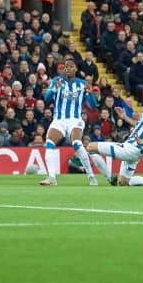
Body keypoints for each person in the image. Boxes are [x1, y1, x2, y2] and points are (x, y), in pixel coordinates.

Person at [87, 82, 143, 186]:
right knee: (123, 182)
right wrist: (125, 117)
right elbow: (139, 125)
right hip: (136, 151)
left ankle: (110, 178)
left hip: (132, 148)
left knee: (90, 147)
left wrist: (142, 141)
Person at [40, 57, 98, 186]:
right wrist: (54, 89)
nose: (68, 68)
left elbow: (93, 106)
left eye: (71, 66)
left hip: (75, 119)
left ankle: (91, 176)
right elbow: (47, 99)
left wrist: (90, 94)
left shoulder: (83, 84)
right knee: (49, 143)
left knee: (77, 143)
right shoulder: (57, 81)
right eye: (66, 66)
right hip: (59, 120)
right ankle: (52, 177)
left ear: (76, 68)